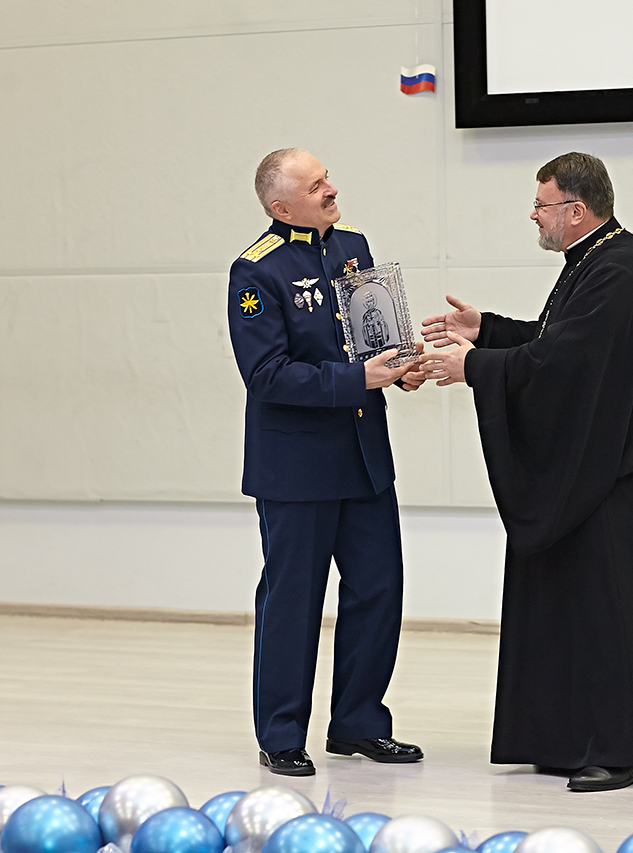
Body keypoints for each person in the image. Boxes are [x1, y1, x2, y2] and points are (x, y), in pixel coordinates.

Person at [422, 152, 633, 792]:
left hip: (616, 476)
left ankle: (622, 748)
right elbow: (555, 341)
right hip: (601, 465)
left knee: (610, 612)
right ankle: (564, 736)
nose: (533, 215)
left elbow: (569, 363)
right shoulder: (597, 260)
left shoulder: (620, 267)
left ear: (576, 210)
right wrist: (488, 330)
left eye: (542, 204)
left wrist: (475, 367)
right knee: (577, 608)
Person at [228, 147, 426, 777]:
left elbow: (369, 341)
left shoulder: (353, 247)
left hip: (363, 457)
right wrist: (358, 379)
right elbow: (267, 374)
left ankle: (359, 723)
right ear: (282, 207)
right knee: (294, 601)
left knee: (378, 589)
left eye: (327, 179)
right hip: (297, 468)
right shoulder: (256, 270)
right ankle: (282, 733)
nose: (331, 190)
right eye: (316, 186)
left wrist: (399, 368)